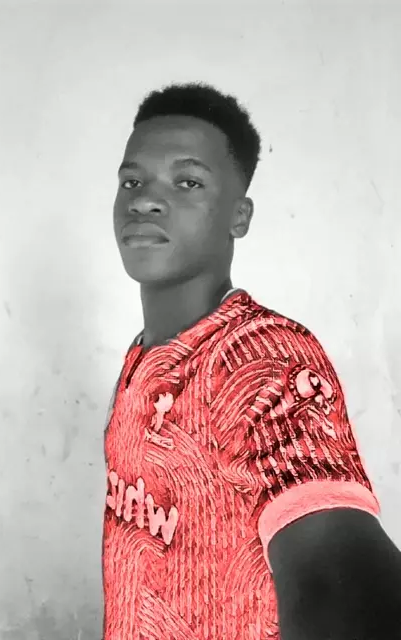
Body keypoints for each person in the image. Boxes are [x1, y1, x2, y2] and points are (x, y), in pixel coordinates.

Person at [102, 82, 401, 640]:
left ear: (239, 216)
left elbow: (334, 571)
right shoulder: (143, 353)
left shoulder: (260, 357)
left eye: (187, 182)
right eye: (132, 181)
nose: (144, 200)